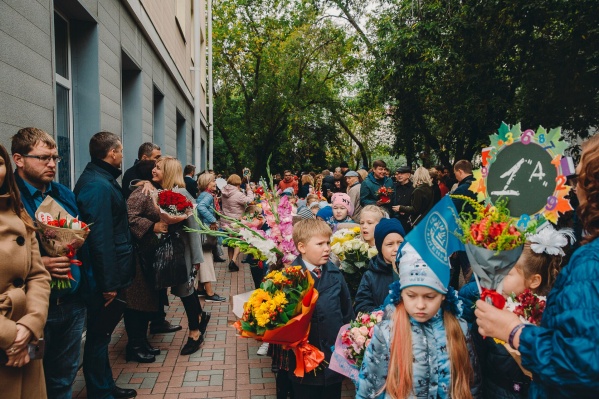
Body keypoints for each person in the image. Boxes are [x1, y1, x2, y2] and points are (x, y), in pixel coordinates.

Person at [474, 134, 599, 398]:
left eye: (579, 179)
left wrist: (514, 331)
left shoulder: (590, 265)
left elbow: (580, 362)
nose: (574, 188)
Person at [11, 127, 87, 399]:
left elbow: (77, 237)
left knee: (63, 380)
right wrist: (40, 262)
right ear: (19, 159)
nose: (52, 164)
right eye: (43, 158)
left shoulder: (63, 194)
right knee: (30, 383)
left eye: (55, 158)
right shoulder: (10, 199)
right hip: (34, 311)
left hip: (73, 305)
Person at [460, 225, 572, 398]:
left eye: (506, 273)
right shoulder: (489, 312)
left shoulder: (555, 316)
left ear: (534, 280)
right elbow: (476, 367)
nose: (495, 278)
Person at [356, 244, 480, 399]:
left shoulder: (459, 328)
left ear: (443, 294)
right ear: (401, 293)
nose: (420, 305)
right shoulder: (387, 332)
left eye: (429, 296)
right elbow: (369, 388)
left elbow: (472, 384)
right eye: (411, 296)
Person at [73, 131, 136, 399]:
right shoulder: (97, 185)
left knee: (102, 336)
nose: (123, 156)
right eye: (121, 152)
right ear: (111, 153)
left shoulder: (102, 179)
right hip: (104, 279)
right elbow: (100, 239)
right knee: (99, 337)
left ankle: (105, 386)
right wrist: (109, 284)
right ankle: (101, 391)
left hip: (110, 274)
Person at [0, 143, 51, 399]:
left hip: (26, 332)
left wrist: (29, 325)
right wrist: (10, 336)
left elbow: (37, 276)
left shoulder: (18, 213)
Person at [289, 219, 354, 399]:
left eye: (328, 243)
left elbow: (346, 311)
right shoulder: (290, 278)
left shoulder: (335, 274)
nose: (327, 248)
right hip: (304, 361)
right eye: (320, 244)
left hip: (333, 359)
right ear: (302, 247)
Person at [152, 157, 211, 355]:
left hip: (183, 252)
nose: (153, 170)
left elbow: (193, 229)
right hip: (174, 251)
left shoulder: (180, 194)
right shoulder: (163, 192)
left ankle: (195, 334)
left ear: (168, 172)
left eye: (158, 167)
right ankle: (201, 316)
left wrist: (196, 260)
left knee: (185, 291)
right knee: (186, 290)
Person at [123, 160, 167, 364]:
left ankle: (141, 342)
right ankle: (135, 346)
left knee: (147, 301)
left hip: (148, 254)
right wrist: (152, 226)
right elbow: (130, 217)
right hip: (138, 256)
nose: (156, 170)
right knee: (136, 304)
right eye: (154, 168)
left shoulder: (154, 191)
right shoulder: (141, 193)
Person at [354, 218, 405, 314]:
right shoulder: (370, 276)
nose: (396, 248)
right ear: (380, 248)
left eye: (400, 243)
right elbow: (361, 306)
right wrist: (382, 312)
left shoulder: (413, 269)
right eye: (390, 244)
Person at [195, 173, 226, 302]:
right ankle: (209, 293)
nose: (215, 183)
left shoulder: (203, 194)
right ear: (207, 183)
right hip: (205, 233)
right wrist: (213, 220)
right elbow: (202, 208)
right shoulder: (208, 196)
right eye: (213, 181)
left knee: (204, 260)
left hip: (201, 233)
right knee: (206, 262)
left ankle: (200, 289)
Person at [449, 160, 477, 290]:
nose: (455, 176)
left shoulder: (461, 190)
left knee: (463, 266)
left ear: (460, 171)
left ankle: (461, 293)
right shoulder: (481, 186)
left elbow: (452, 213)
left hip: (463, 233)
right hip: (480, 232)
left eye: (455, 173)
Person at [221, 174, 255, 271]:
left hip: (226, 221)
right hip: (236, 221)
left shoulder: (224, 191)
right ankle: (234, 260)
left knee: (230, 243)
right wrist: (249, 190)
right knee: (238, 241)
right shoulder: (238, 194)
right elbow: (250, 200)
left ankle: (231, 261)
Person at [392, 166, 414, 233]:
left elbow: (415, 206)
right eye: (398, 173)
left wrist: (404, 209)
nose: (399, 175)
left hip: (407, 221)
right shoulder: (394, 186)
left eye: (402, 173)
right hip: (394, 219)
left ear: (408, 175)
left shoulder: (414, 188)